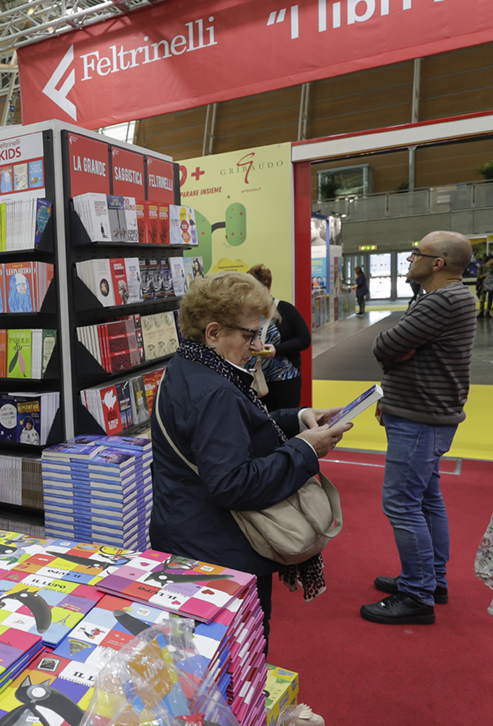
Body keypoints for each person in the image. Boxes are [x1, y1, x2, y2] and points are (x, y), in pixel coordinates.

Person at [150, 272, 350, 648]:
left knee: (194, 652)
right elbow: (233, 483)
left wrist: (296, 418)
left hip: (184, 531)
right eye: (248, 335)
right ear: (213, 332)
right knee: (235, 656)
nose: (257, 346)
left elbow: (229, 435)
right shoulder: (215, 390)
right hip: (219, 549)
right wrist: (306, 450)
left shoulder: (188, 367)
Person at [363, 231, 477, 625]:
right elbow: (397, 349)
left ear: (438, 263)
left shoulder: (442, 301)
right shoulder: (448, 298)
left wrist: (395, 355)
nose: (411, 260)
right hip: (423, 414)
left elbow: (384, 346)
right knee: (427, 500)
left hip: (420, 418)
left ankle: (417, 594)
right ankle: (431, 581)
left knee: (402, 504)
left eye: (417, 254)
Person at [244, 264, 312, 412]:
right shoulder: (243, 312)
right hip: (251, 379)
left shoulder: (285, 309)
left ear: (268, 288)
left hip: (284, 380)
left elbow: (304, 338)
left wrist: (277, 349)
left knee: (285, 424)